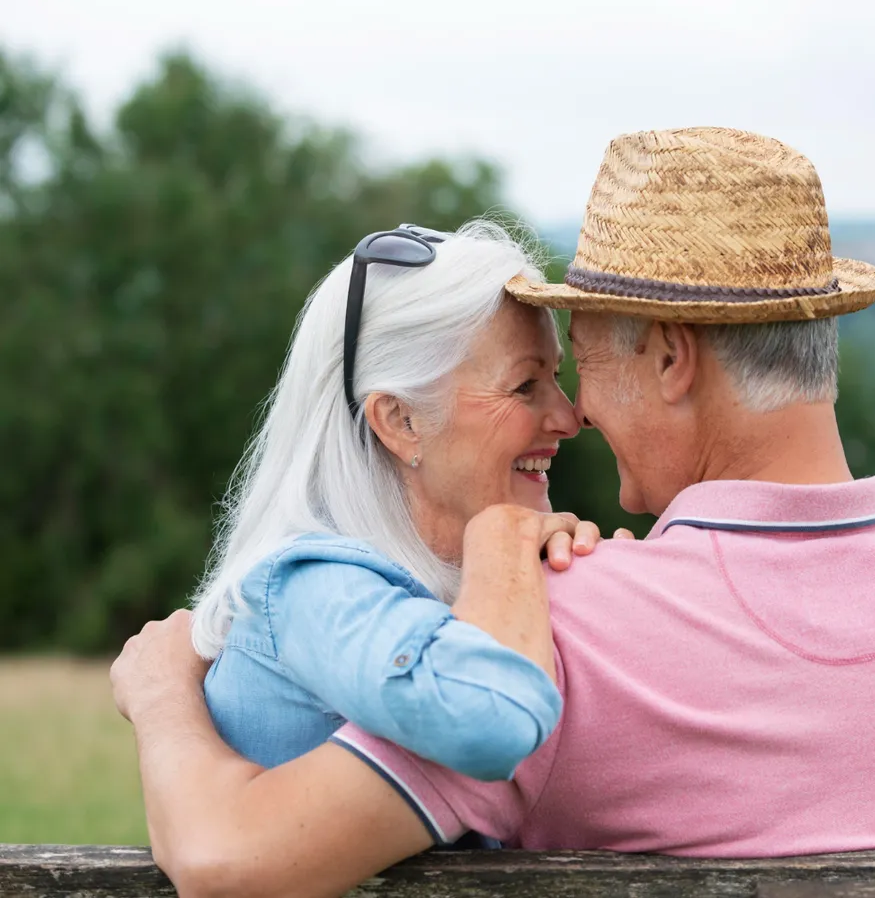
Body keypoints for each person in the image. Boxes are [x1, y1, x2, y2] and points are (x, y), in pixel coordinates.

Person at [111, 127, 875, 898]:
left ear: (673, 358)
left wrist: (163, 701)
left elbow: (236, 860)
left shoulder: (555, 632)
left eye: (588, 360)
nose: (577, 411)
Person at [184, 219, 618, 795]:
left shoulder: (430, 583)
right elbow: (487, 721)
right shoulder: (311, 587)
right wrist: (506, 541)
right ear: (400, 421)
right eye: (524, 386)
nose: (567, 418)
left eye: (556, 376)